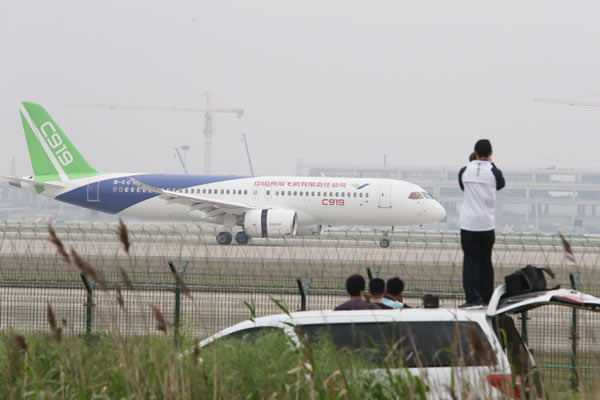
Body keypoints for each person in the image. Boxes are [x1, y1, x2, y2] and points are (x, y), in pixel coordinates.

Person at [458, 139, 505, 308]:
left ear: (475, 152)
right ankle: (487, 297)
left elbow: (464, 187)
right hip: (486, 224)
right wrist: (491, 163)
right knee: (486, 261)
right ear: (491, 152)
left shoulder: (464, 171)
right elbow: (501, 184)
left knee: (470, 262)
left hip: (468, 224)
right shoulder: (494, 172)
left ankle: (472, 298)